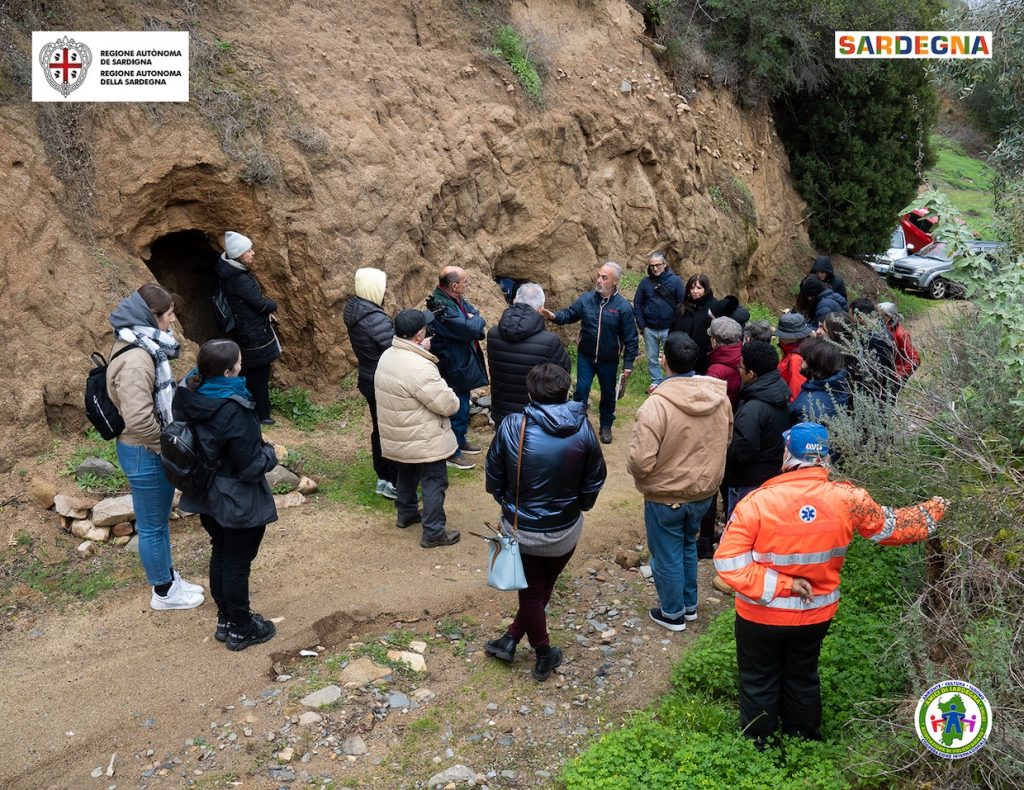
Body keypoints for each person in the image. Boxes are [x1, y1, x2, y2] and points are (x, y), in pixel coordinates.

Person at [714, 422, 946, 744]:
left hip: (761, 615)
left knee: (759, 678)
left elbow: (728, 562)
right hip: (816, 614)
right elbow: (892, 527)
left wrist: (782, 584)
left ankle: (759, 744)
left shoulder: (757, 502)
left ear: (787, 454)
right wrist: (936, 509)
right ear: (825, 458)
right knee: (803, 676)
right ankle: (804, 740)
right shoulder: (849, 498)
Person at [483, 364, 607, 680]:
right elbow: (595, 478)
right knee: (541, 588)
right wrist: (580, 506)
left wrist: (507, 504)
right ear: (566, 392)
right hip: (565, 531)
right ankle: (510, 638)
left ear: (530, 394)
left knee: (532, 593)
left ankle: (542, 652)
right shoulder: (583, 427)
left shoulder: (512, 425)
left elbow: (493, 476)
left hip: (522, 531)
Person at [172, 339, 279, 650]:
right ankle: (242, 628)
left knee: (220, 549)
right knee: (236, 559)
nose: (242, 364)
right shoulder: (235, 407)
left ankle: (226, 620)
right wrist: (270, 454)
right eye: (239, 361)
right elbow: (250, 466)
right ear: (230, 370)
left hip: (205, 491)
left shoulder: (189, 394)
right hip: (235, 495)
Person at [626, 332, 733, 631]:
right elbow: (726, 439)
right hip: (704, 492)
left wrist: (650, 478)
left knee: (667, 553)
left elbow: (639, 461)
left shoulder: (656, 406)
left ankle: (672, 613)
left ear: (664, 360)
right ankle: (688, 606)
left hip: (666, 496)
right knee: (687, 544)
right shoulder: (719, 398)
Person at [107, 284, 204, 610]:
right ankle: (164, 592)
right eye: (169, 314)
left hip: (142, 450)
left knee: (157, 521)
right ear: (152, 317)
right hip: (144, 452)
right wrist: (165, 448)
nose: (173, 319)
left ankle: (167, 578)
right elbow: (138, 418)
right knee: (152, 525)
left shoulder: (141, 345)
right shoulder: (138, 359)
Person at [375, 309, 462, 548]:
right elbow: (448, 404)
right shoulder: (419, 366)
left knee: (407, 473)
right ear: (419, 334)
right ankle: (433, 532)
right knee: (434, 480)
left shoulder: (388, 356)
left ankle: (406, 514)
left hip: (401, 434)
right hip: (424, 437)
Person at [542, 262, 638, 445]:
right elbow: (570, 314)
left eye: (604, 277)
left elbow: (631, 338)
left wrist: (628, 364)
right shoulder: (586, 299)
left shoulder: (623, 307)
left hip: (608, 360)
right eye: (598, 276)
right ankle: (577, 424)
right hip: (586, 356)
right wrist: (554, 316)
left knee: (608, 393)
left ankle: (606, 426)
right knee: (582, 390)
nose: (599, 280)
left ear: (615, 281)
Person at [343, 267, 398, 500]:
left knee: (379, 429)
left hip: (367, 376)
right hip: (381, 379)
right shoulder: (374, 318)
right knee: (391, 431)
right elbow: (393, 347)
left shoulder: (354, 309)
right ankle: (394, 482)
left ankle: (383, 478)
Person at [427, 267, 489, 470]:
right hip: (452, 363)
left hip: (461, 360)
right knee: (456, 406)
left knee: (462, 403)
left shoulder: (454, 300)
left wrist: (473, 322)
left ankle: (460, 440)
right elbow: (469, 327)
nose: (467, 284)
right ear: (455, 286)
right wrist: (472, 324)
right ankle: (452, 452)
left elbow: (475, 316)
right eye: (465, 281)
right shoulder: (440, 305)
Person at [216, 231, 280, 425]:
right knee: (259, 372)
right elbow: (259, 303)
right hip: (252, 331)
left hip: (245, 327)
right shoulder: (239, 279)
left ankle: (253, 408)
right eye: (248, 250)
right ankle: (262, 415)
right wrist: (272, 305)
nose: (253, 253)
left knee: (253, 371)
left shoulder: (230, 272)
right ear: (239, 254)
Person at [486, 283, 571, 427]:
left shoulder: (493, 334)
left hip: (502, 413)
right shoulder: (550, 341)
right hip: (535, 414)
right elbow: (563, 372)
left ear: (514, 301)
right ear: (541, 309)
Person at [725, 341, 789, 521]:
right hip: (770, 477)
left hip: (747, 485)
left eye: (741, 366)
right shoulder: (779, 391)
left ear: (752, 374)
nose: (738, 369)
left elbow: (742, 453)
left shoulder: (753, 409)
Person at [633, 252, 685, 393]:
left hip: (669, 327)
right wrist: (642, 326)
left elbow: (682, 305)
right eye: (652, 266)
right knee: (652, 358)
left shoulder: (675, 281)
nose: (655, 268)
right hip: (650, 328)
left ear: (665, 265)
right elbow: (637, 304)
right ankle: (656, 382)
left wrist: (677, 325)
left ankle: (672, 382)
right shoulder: (645, 282)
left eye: (658, 265)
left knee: (672, 356)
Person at [790, 337, 850, 425]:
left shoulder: (809, 409)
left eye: (805, 358)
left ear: (814, 364)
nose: (802, 360)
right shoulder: (838, 385)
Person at [849, 297, 897, 400]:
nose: (851, 320)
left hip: (874, 395)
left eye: (851, 317)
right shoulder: (877, 328)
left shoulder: (876, 339)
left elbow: (877, 374)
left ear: (860, 317)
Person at [670, 273, 715, 373]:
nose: (695, 291)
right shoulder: (681, 307)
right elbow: (672, 330)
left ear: (706, 289)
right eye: (692, 288)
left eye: (699, 288)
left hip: (703, 358)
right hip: (681, 357)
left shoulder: (713, 308)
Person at [877, 302, 921, 384]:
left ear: (888, 317)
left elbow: (914, 359)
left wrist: (899, 376)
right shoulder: (882, 329)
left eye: (879, 315)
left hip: (894, 375)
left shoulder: (900, 334)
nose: (876, 318)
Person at [705, 316, 744, 408]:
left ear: (714, 341)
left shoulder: (715, 371)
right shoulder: (746, 356)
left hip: (721, 413)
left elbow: (707, 402)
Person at [774, 313, 812, 402]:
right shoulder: (792, 349)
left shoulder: (796, 359)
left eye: (783, 334)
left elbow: (795, 395)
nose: (779, 336)